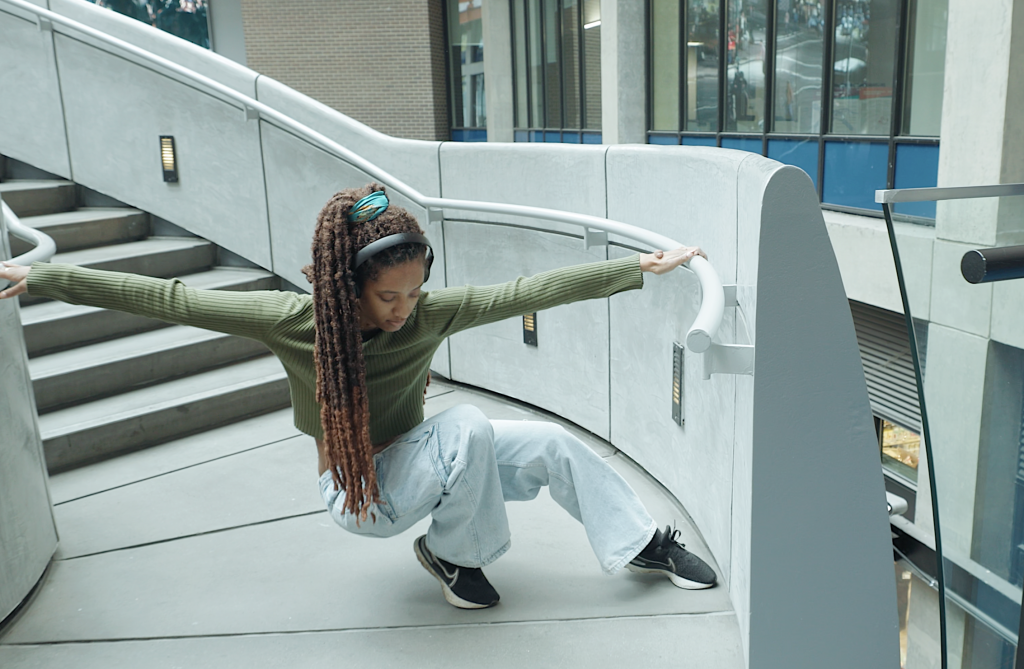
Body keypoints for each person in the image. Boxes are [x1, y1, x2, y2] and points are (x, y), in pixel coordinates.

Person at [0, 183, 717, 610]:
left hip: (424, 461)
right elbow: (177, 298)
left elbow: (525, 292)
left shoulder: (430, 311)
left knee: (549, 440)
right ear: (349, 287)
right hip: (360, 494)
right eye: (387, 296)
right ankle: (453, 556)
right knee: (467, 423)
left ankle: (641, 542)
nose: (405, 308)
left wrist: (640, 268)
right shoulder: (298, 325)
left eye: (413, 291)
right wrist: (54, 281)